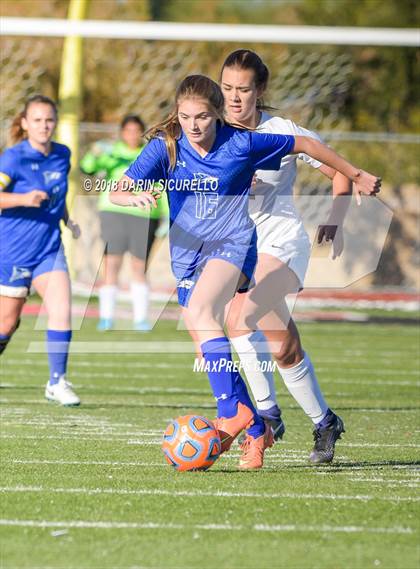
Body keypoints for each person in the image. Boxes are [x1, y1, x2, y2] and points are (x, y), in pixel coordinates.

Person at [110, 75, 380, 469]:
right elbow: (118, 188)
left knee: (219, 316)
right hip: (189, 256)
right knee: (217, 335)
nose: (194, 125)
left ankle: (241, 414)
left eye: (202, 116)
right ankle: (257, 426)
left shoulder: (244, 141)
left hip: (239, 246)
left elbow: (307, 145)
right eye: (186, 117)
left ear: (217, 114)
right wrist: (131, 195)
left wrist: (355, 176)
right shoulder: (166, 147)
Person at [220, 49, 378, 464]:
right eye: (227, 88)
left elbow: (338, 168)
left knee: (239, 319)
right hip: (240, 248)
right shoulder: (212, 132)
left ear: (261, 90)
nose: (234, 98)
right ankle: (325, 421)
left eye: (244, 89)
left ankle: (266, 416)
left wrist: (337, 217)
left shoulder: (282, 130)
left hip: (282, 241)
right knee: (282, 346)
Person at [0, 95, 81, 406]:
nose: (44, 126)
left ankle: (56, 381)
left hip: (49, 248)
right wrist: (22, 199)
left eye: (49, 119)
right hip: (13, 251)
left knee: (61, 308)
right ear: (24, 123)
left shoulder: (62, 154)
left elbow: (56, 197)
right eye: (37, 120)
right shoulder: (13, 158)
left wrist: (67, 220)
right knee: (6, 324)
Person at [80, 115, 169, 331]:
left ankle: (140, 319)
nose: (131, 135)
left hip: (144, 214)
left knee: (139, 267)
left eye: (136, 131)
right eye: (127, 130)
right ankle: (106, 317)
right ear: (121, 132)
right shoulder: (112, 153)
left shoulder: (149, 154)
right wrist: (94, 152)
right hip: (114, 212)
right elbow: (87, 168)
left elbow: (161, 185)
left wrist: (165, 215)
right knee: (111, 264)